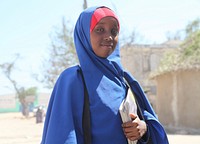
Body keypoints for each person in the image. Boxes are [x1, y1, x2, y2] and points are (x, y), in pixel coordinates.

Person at [41, 6, 169, 144]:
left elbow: (150, 123)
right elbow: (62, 136)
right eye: (100, 30)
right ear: (84, 34)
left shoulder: (125, 80)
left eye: (114, 31)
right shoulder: (72, 80)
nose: (109, 37)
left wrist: (143, 128)